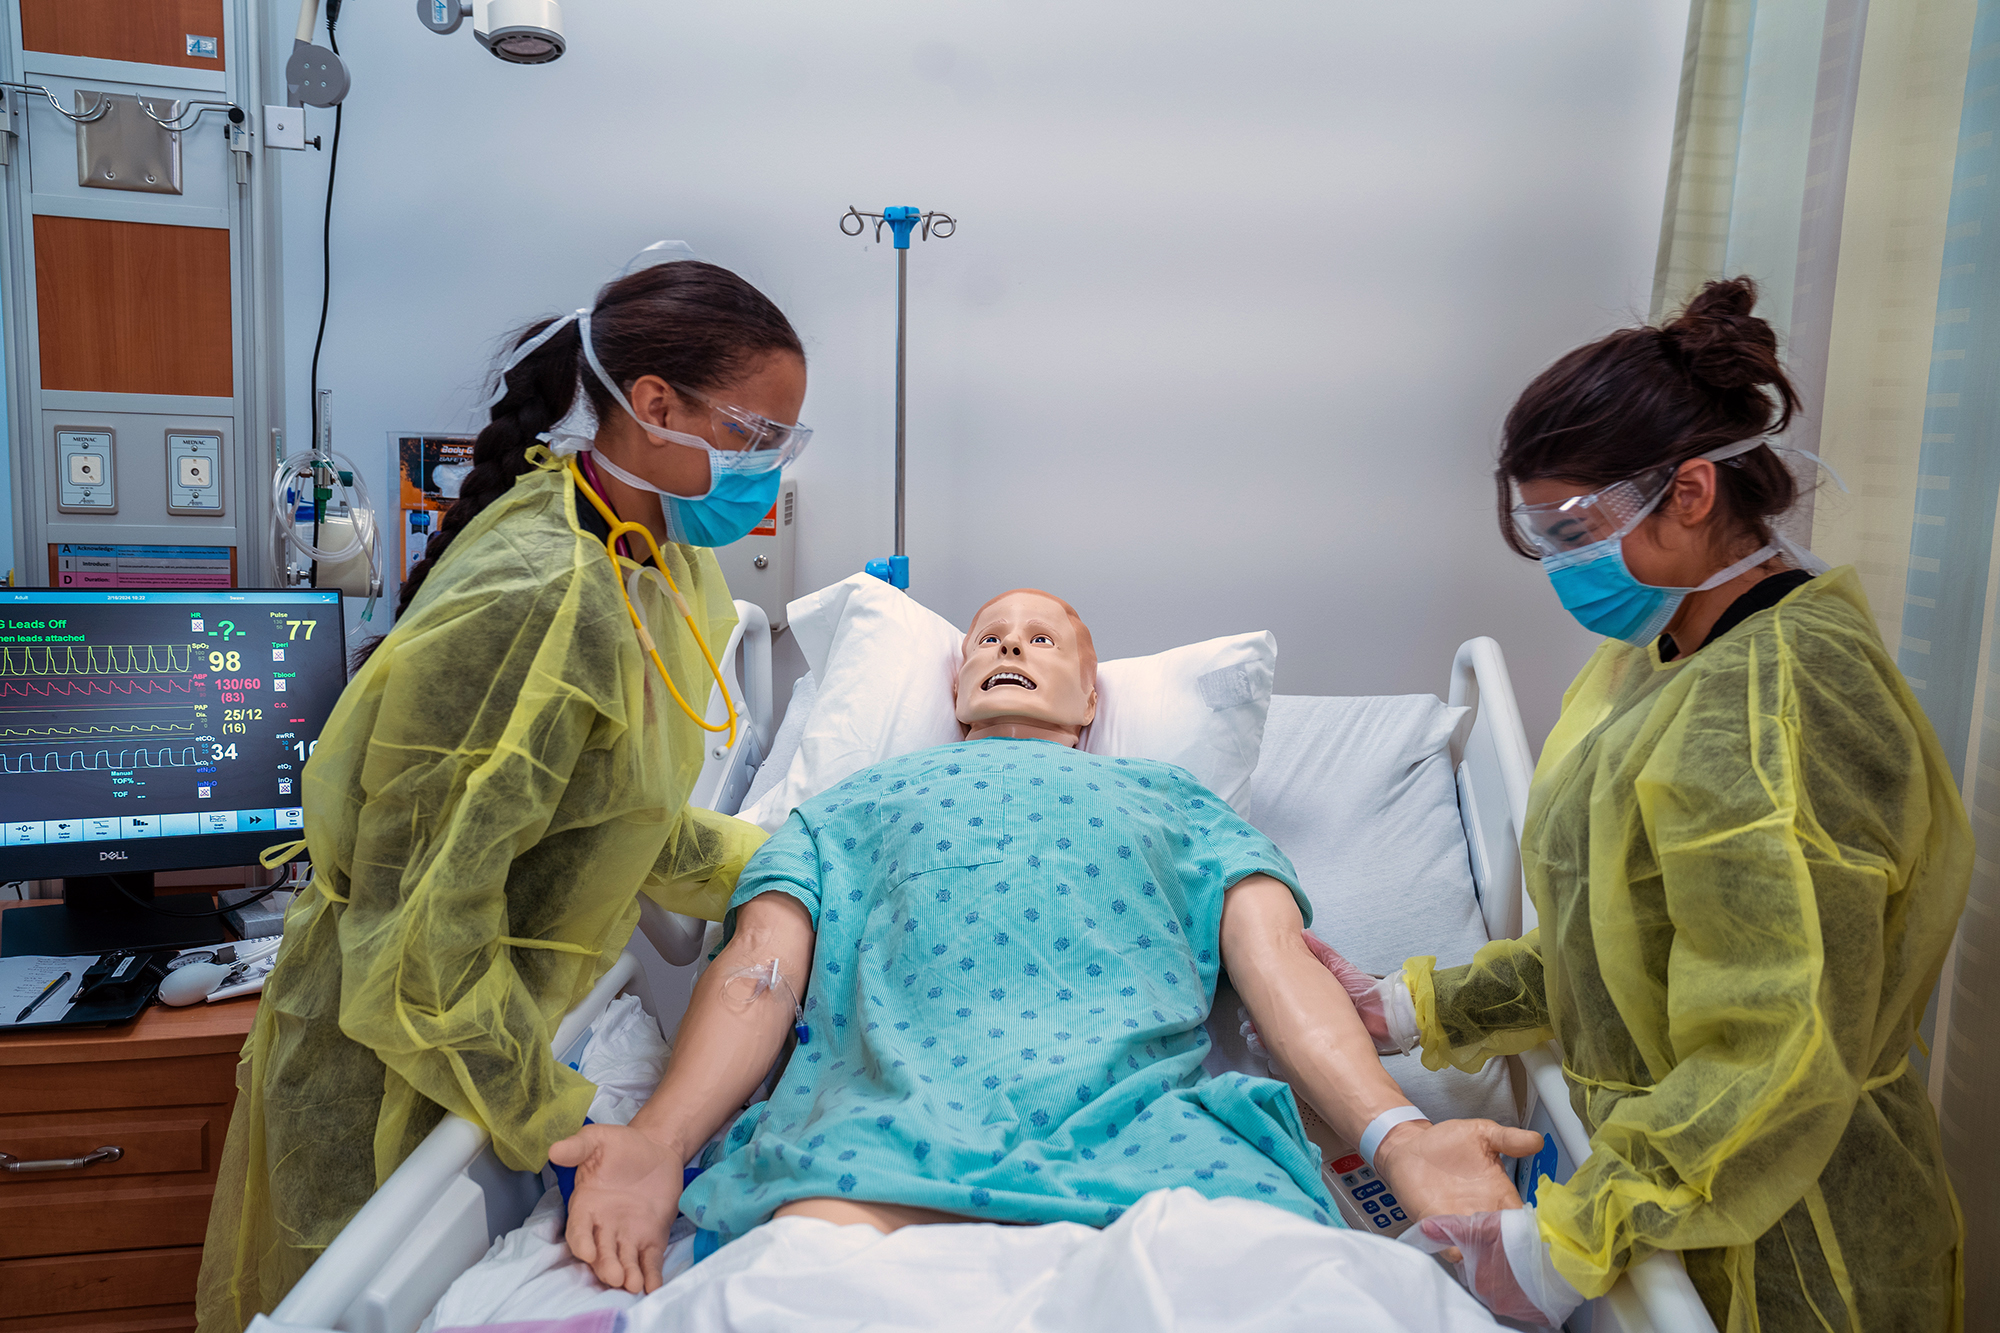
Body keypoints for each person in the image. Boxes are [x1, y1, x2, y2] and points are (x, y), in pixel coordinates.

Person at [551, 588, 1542, 1294]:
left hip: (1154, 1151)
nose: (1007, 648)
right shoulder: (845, 810)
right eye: (985, 638)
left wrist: (1396, 1136)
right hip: (880, 1147)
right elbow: (756, 975)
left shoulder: (1175, 802)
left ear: (1090, 699)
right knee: (775, 1296)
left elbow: (1276, 966)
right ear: (955, 689)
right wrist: (656, 1143)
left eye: (1041, 638)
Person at [1314, 278, 1972, 1330]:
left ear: (1693, 494)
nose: (1558, 566)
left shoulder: (1777, 706)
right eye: (1537, 534)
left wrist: (1573, 1242)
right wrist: (1407, 1007)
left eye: (1572, 525)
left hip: (1789, 1245)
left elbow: (1778, 1044)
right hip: (1688, 1191)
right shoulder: (1658, 660)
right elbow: (1616, 946)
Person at [195, 256, 811, 1331]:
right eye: (755, 439)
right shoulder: (542, 593)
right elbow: (419, 940)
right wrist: (573, 1124)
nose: (767, 471)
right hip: (402, 1058)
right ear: (654, 405)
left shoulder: (653, 557)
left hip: (492, 1024)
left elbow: (612, 817)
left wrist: (800, 860)